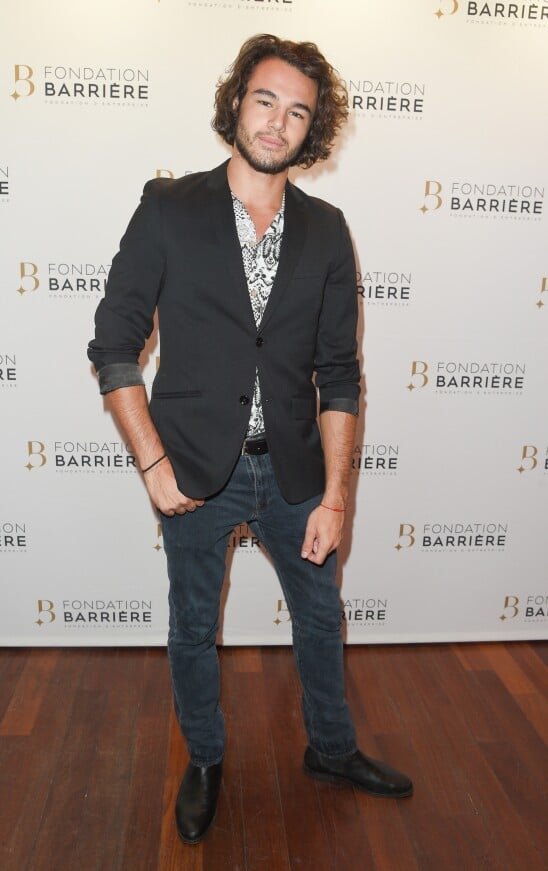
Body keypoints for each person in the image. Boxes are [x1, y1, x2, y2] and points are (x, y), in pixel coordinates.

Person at [88, 33, 412, 845]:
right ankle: (204, 760)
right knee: (194, 624)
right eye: (265, 100)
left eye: (298, 111)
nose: (278, 122)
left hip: (297, 469)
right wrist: (153, 462)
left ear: (314, 130)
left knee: (319, 616)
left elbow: (339, 374)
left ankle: (332, 750)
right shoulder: (169, 207)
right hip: (195, 467)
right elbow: (114, 344)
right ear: (237, 102)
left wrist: (337, 497)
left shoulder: (329, 230)